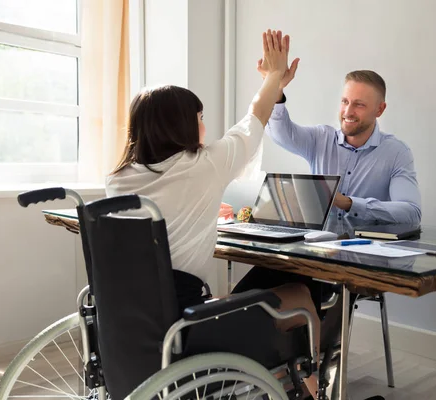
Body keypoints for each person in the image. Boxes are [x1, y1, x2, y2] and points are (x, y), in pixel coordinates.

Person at [106, 29, 320, 398]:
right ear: (182, 126)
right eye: (199, 117)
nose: (204, 126)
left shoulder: (117, 181)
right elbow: (254, 120)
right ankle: (312, 387)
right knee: (300, 292)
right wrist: (273, 77)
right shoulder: (203, 165)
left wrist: (202, 212)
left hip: (130, 327)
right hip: (186, 329)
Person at [258, 63, 422, 225]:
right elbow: (280, 133)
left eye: (359, 105)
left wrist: (348, 203)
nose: (348, 112)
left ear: (380, 110)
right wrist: (276, 88)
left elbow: (411, 212)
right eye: (345, 101)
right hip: (319, 246)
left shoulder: (397, 152)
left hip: (366, 247)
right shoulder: (320, 138)